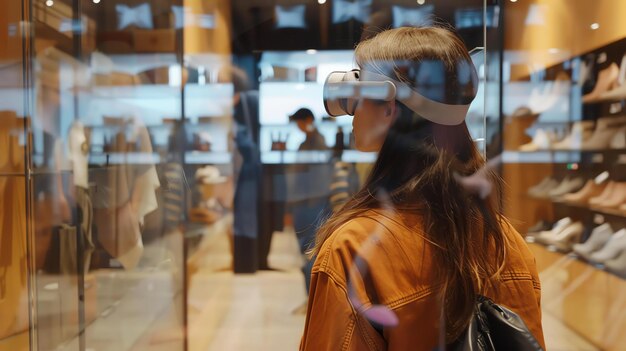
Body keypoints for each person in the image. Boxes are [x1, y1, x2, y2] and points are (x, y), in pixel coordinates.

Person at [300, 27, 545, 350]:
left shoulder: (353, 250)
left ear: (388, 109)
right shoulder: (505, 242)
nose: (351, 112)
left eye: (357, 94)